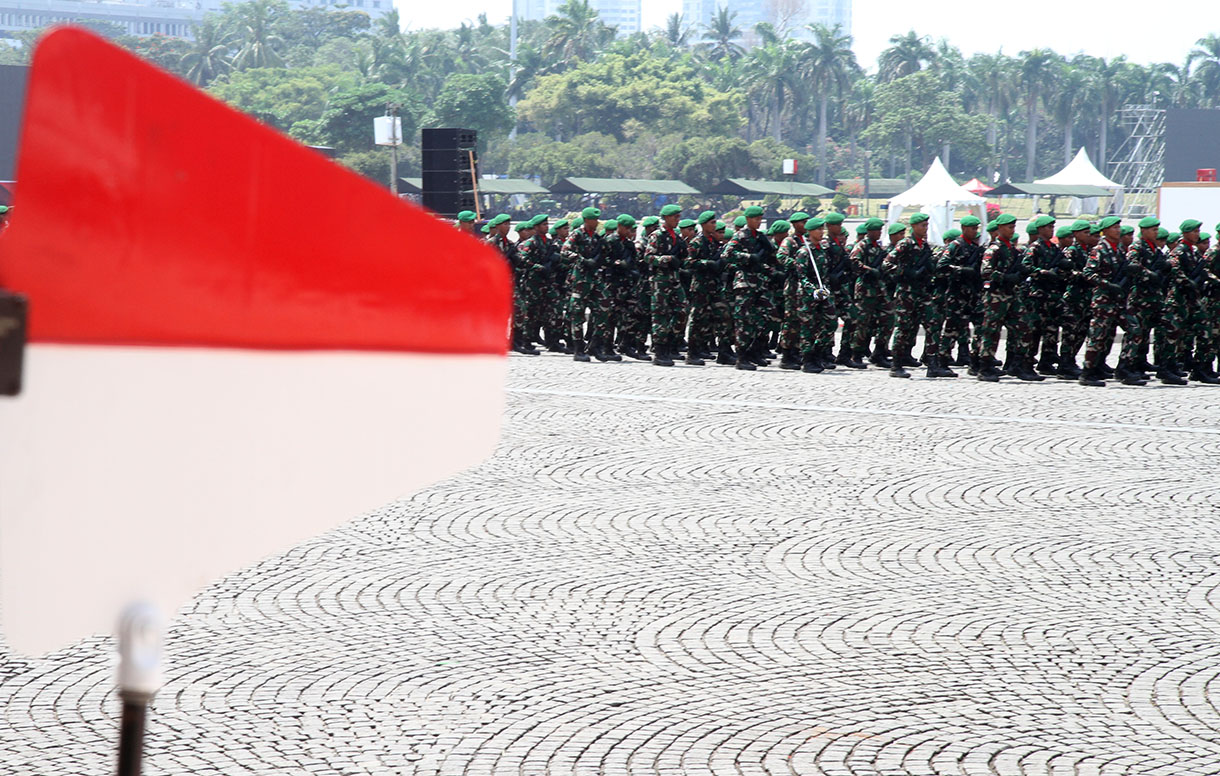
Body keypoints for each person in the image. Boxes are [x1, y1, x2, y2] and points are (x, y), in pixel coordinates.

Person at [885, 212, 953, 378]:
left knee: (933, 325)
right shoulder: (905, 243)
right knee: (903, 329)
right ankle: (896, 365)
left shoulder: (925, 246)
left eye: (926, 225)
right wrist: (906, 272)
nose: (925, 228)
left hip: (923, 293)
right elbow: (887, 264)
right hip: (906, 294)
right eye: (922, 226)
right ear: (914, 227)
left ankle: (932, 364)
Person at [1125, 216, 1184, 385]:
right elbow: (1131, 266)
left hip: (1155, 298)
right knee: (1137, 335)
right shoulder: (1137, 247)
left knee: (1172, 327)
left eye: (1157, 230)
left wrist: (1166, 269)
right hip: (1140, 299)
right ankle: (1127, 368)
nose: (1156, 232)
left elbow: (1164, 267)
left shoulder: (1155, 250)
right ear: (1143, 231)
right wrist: (1148, 274)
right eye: (1153, 230)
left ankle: (1165, 368)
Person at [971, 213, 1026, 382]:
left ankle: (1017, 364)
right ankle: (985, 367)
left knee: (1022, 328)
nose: (1012, 230)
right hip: (996, 296)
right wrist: (1005, 277)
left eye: (1013, 227)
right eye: (1010, 227)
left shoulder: (1011, 249)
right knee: (991, 331)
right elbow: (985, 272)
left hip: (1011, 294)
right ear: (1000, 229)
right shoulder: (993, 249)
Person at [1078, 216, 1129, 386]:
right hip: (1103, 300)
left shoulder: (1119, 249)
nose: (1118, 230)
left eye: (1119, 227)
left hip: (1118, 300)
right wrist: (1107, 284)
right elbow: (1088, 273)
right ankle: (1087, 372)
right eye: (1114, 227)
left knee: (1134, 329)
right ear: (1105, 231)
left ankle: (1123, 368)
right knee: (1098, 336)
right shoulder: (1099, 249)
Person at [722, 206, 773, 370]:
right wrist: (748, 257)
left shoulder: (759, 237)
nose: (759, 222)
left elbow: (769, 257)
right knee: (743, 321)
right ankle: (742, 357)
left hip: (759, 282)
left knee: (762, 318)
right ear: (748, 220)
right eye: (756, 219)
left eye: (760, 219)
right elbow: (727, 254)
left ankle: (754, 351)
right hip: (744, 282)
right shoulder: (740, 235)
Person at [935, 216, 983, 369]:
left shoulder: (975, 248)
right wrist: (961, 270)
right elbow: (941, 265)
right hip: (957, 293)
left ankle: (975, 361)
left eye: (976, 228)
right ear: (963, 229)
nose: (975, 231)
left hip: (972, 293)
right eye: (972, 228)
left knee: (979, 326)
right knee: (952, 327)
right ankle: (942, 360)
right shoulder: (955, 245)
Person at [1019, 215, 1063, 378]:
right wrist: (1043, 272)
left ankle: (1046, 361)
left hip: (1051, 295)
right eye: (1048, 227)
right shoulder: (1035, 248)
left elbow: (1061, 265)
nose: (1051, 230)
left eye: (1052, 227)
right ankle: (1027, 364)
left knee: (1051, 330)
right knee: (1033, 331)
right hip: (1037, 294)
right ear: (1039, 229)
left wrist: (1061, 270)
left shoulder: (1053, 248)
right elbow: (1025, 267)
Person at [645, 204, 689, 366]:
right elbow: (648, 257)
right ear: (667, 218)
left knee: (682, 311)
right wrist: (667, 259)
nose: (678, 220)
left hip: (674, 279)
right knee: (660, 316)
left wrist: (683, 252)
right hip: (660, 281)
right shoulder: (657, 235)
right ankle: (660, 351)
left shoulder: (676, 236)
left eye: (679, 217)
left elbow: (684, 258)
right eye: (675, 217)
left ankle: (670, 342)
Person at [563, 208, 607, 362]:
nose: (596, 222)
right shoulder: (577, 234)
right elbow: (565, 251)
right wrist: (582, 259)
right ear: (587, 220)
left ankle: (595, 344)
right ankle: (578, 349)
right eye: (594, 220)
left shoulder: (596, 237)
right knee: (577, 314)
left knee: (604, 308)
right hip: (580, 279)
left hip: (594, 279)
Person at [796, 216, 838, 373]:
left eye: (823, 229)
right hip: (808, 296)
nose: (822, 232)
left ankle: (817, 352)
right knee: (808, 328)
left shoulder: (822, 250)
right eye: (819, 230)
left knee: (830, 323)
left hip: (824, 293)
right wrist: (812, 290)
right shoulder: (804, 252)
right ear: (810, 231)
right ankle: (808, 360)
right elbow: (802, 276)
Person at [850, 218, 891, 367]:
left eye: (880, 230)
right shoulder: (861, 246)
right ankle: (856, 354)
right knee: (862, 323)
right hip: (865, 289)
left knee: (888, 318)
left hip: (879, 288)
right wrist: (869, 270)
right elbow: (854, 262)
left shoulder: (878, 248)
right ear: (869, 231)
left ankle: (879, 352)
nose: (879, 233)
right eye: (876, 231)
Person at [776, 212, 811, 369]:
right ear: (795, 224)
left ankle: (796, 351)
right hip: (793, 286)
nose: (805, 225)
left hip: (805, 287)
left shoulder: (808, 241)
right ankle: (786, 355)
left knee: (802, 321)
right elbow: (781, 257)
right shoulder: (789, 241)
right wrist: (797, 264)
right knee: (791, 321)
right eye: (803, 222)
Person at [685, 211, 721, 365]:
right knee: (697, 320)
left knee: (708, 320)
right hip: (700, 286)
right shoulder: (696, 242)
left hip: (713, 285)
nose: (714, 225)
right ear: (704, 224)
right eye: (712, 223)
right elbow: (688, 263)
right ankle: (692, 353)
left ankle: (701, 348)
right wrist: (706, 263)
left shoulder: (713, 241)